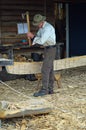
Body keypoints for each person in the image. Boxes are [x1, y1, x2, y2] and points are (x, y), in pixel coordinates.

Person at [27, 14, 56, 97]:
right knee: (49, 69)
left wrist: (32, 37)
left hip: (51, 49)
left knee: (45, 69)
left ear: (42, 22)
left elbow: (42, 40)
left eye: (38, 24)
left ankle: (44, 90)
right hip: (47, 49)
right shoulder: (41, 28)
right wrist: (33, 38)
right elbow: (38, 36)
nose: (38, 26)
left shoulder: (48, 28)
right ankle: (50, 89)